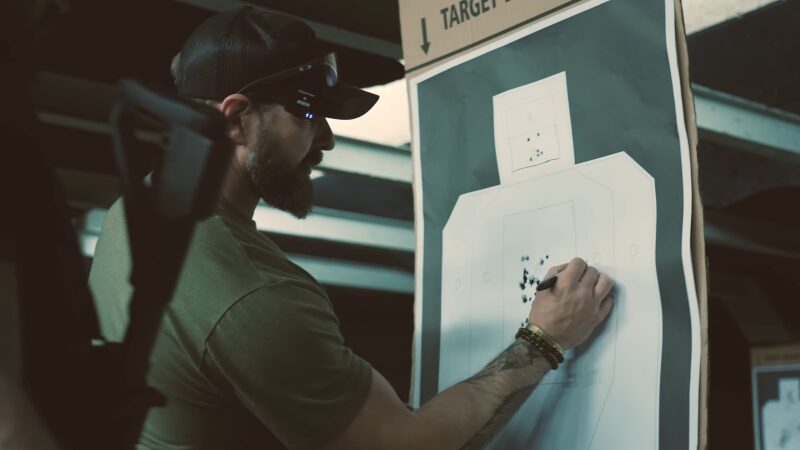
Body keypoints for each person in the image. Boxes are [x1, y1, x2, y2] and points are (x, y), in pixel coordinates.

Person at [89, 7, 614, 450]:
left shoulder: (133, 211)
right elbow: (406, 445)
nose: (327, 140)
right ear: (236, 118)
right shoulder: (253, 295)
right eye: (309, 113)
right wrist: (543, 339)